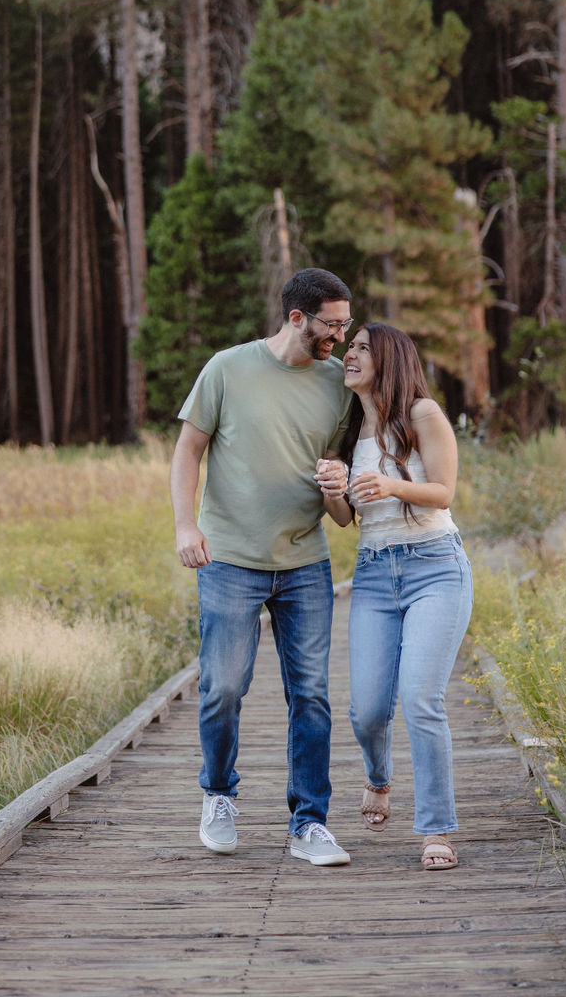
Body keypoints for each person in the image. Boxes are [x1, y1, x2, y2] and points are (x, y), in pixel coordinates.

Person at [170, 267, 355, 867]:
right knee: (223, 687)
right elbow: (188, 450)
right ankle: (218, 794)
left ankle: (309, 823)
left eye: (346, 325)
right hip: (229, 559)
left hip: (305, 560)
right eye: (332, 325)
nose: (341, 338)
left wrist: (337, 488)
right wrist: (184, 525)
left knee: (312, 695)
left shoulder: (339, 385)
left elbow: (341, 505)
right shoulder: (227, 368)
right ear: (297, 318)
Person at [318, 322, 473, 871]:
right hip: (375, 574)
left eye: (362, 347)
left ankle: (437, 831)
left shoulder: (423, 415)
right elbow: (343, 520)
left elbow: (444, 492)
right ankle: (378, 779)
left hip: (436, 567)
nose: (350, 354)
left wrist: (391, 485)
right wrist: (334, 490)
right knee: (367, 711)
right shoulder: (351, 431)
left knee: (421, 699)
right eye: (349, 347)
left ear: (390, 359)